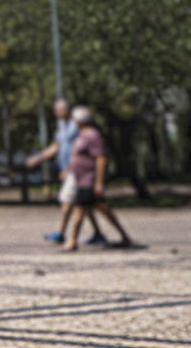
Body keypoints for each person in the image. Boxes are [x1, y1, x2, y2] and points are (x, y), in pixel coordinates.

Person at [27, 99, 109, 246]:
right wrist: (38, 158)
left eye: (59, 109)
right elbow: (55, 147)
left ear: (68, 110)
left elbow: (83, 149)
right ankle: (98, 234)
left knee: (67, 201)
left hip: (79, 171)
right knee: (86, 205)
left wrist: (69, 168)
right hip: (70, 170)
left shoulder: (78, 125)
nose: (56, 112)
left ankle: (62, 234)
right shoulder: (62, 127)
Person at [64, 106, 135, 251]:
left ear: (79, 120)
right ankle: (125, 237)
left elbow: (101, 159)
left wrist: (98, 183)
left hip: (88, 179)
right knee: (103, 209)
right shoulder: (82, 135)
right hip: (81, 179)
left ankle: (72, 241)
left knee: (80, 208)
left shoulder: (92, 135)